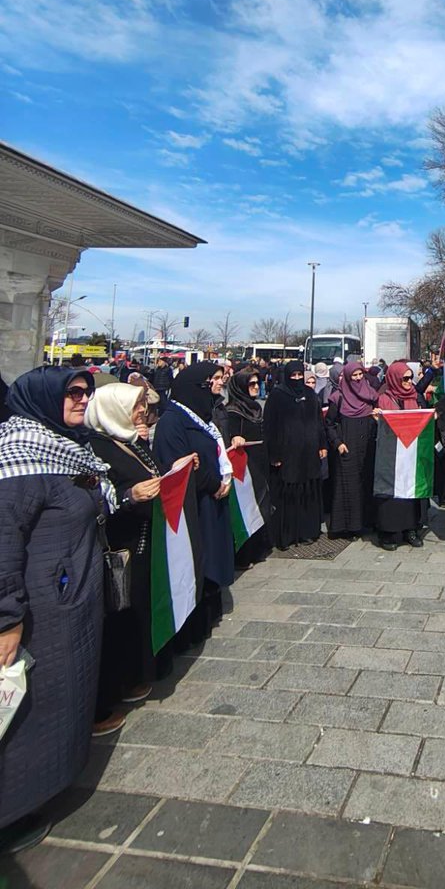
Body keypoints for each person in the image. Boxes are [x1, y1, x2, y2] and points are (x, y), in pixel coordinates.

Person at [0, 367, 108, 854]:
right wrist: (6, 618)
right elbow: (4, 542)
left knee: (56, 700)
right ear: (43, 399)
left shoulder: (67, 446)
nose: (83, 400)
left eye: (87, 392)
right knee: (24, 709)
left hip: (69, 602)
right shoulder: (20, 455)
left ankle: (46, 785)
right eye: (72, 393)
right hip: (37, 609)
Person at [86, 383, 166, 734]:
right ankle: (113, 690)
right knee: (119, 614)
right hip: (120, 545)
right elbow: (103, 494)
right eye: (134, 407)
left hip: (142, 539)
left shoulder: (129, 440)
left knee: (136, 610)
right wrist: (130, 494)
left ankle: (134, 674)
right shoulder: (96, 447)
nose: (141, 413)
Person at [153, 362, 234, 639]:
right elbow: (180, 466)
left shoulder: (201, 418)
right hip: (195, 504)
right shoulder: (173, 421)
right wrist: (213, 484)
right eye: (212, 380)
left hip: (212, 499)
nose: (218, 384)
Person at [264, 362, 327, 548]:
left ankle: (308, 531)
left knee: (308, 491)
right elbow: (270, 426)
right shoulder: (277, 395)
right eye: (294, 376)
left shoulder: (310, 394)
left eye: (301, 375)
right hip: (287, 454)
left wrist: (322, 444)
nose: (298, 379)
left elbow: (318, 422)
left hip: (309, 453)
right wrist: (274, 454)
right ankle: (287, 534)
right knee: (288, 493)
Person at [375, 361, 432, 550]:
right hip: (393, 456)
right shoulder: (384, 399)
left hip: (412, 455)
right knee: (392, 495)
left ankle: (411, 529)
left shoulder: (416, 396)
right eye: (405, 378)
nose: (409, 382)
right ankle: (389, 533)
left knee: (411, 494)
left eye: (411, 378)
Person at [219, 368, 273, 565]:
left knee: (262, 503)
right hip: (245, 466)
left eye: (257, 383)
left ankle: (259, 547)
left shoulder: (255, 407)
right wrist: (235, 437)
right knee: (249, 506)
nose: (256, 387)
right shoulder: (233, 411)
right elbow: (230, 436)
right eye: (251, 384)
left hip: (260, 460)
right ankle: (245, 553)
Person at [325, 361, 378, 539]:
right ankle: (348, 527)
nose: (357, 378)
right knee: (348, 487)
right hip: (347, 448)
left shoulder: (370, 394)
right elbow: (329, 424)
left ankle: (366, 522)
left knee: (366, 484)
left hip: (367, 447)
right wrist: (338, 443)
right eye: (353, 376)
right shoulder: (338, 397)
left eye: (360, 374)